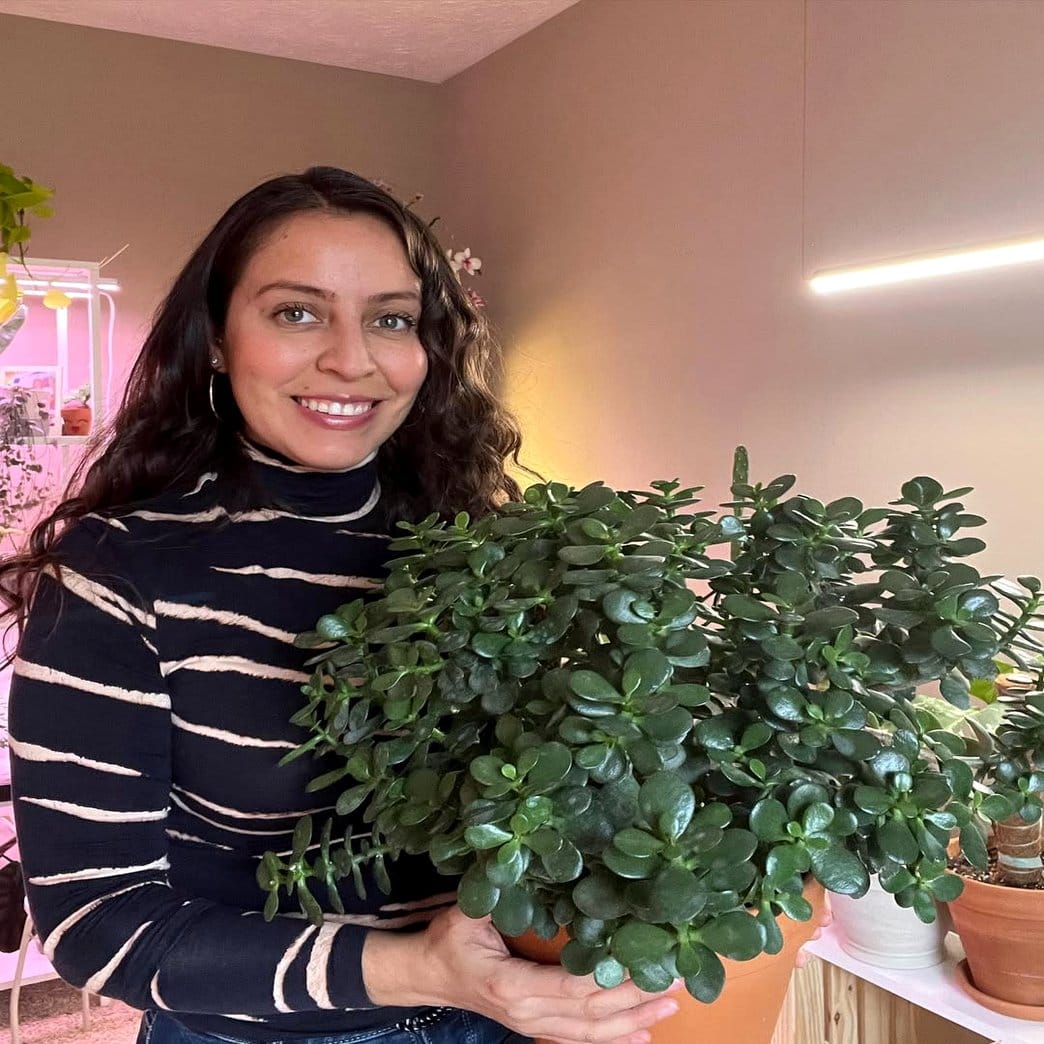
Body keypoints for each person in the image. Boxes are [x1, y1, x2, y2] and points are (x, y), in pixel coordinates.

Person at [0, 168, 683, 1044]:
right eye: (297, 312)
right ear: (216, 339)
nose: (352, 359)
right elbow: (97, 924)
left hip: (508, 1019)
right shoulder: (118, 574)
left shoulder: (482, 547)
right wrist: (420, 969)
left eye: (391, 319)